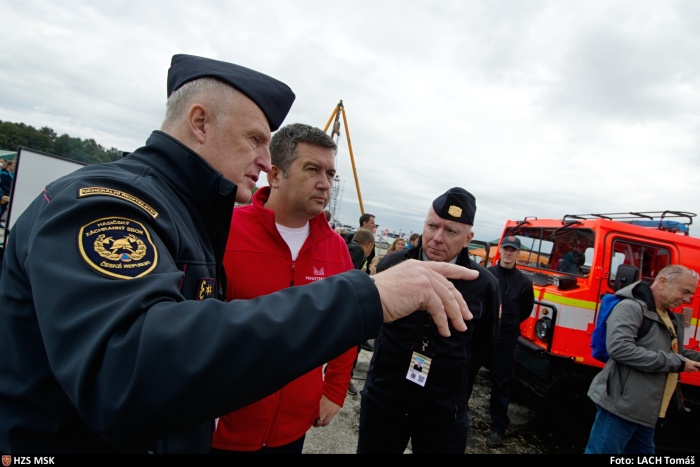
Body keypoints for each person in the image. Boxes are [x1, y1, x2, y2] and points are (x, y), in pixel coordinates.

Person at [0, 54, 478, 454]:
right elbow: (128, 369)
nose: (267, 162)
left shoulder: (187, 216)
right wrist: (363, 298)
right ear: (200, 123)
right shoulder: (109, 203)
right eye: (254, 139)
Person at [211, 123, 357, 453]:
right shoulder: (226, 232)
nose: (325, 184)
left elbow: (347, 325)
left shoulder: (336, 250)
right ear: (275, 175)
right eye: (312, 169)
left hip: (292, 430)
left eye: (331, 174)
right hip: (224, 427)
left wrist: (334, 389)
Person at [356, 187, 500, 454]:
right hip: (385, 401)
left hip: (443, 412)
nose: (436, 238)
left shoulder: (483, 285)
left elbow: (484, 347)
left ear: (468, 238)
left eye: (451, 231)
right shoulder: (393, 266)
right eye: (432, 226)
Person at [584, 265, 700, 454]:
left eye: (691, 295)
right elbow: (620, 348)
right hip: (623, 405)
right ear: (662, 282)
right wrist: (677, 363)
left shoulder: (667, 315)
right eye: (685, 291)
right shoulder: (631, 307)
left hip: (646, 409)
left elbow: (674, 351)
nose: (687, 299)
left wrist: (687, 359)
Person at [467, 235, 534, 448]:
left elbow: (525, 310)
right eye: (505, 248)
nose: (508, 253)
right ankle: (457, 411)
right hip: (480, 336)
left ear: (518, 254)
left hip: (505, 340)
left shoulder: (524, 283)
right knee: (466, 375)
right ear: (500, 250)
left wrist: (505, 323)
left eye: (512, 250)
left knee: (501, 384)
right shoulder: (485, 274)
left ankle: (498, 427)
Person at [346, 228, 376, 395]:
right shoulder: (358, 251)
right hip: (349, 305)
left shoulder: (349, 246)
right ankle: (343, 380)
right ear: (370, 245)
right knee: (349, 347)